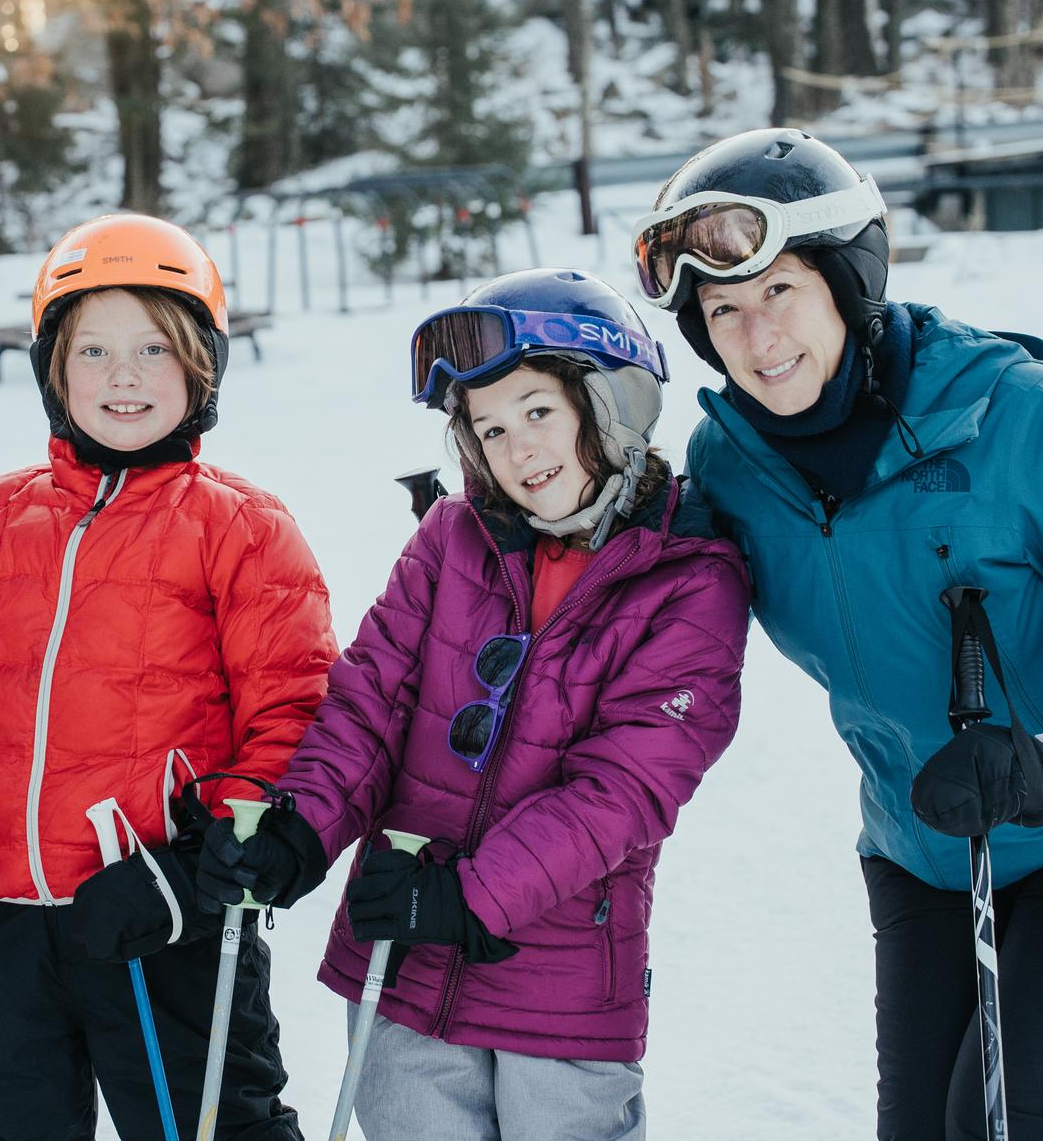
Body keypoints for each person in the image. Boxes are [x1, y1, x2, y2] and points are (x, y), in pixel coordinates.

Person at [631, 127, 1043, 1141]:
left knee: (1006, 1125)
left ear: (848, 282)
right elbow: (644, 595)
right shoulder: (732, 466)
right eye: (722, 309)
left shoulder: (1010, 412)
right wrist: (512, 527)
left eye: (779, 289)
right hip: (928, 849)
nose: (755, 333)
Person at [195, 268, 750, 1141]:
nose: (519, 449)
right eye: (491, 429)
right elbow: (371, 704)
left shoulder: (689, 578)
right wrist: (300, 828)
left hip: (559, 988)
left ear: (612, 404)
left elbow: (625, 787)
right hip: (403, 957)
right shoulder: (453, 538)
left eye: (539, 411)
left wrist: (470, 897)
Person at [0, 214, 336, 1141]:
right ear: (54, 371)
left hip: (160, 918)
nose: (124, 375)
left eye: (154, 347)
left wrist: (196, 872)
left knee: (215, 1127)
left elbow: (295, 717)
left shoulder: (242, 527)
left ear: (200, 366)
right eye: (94, 350)